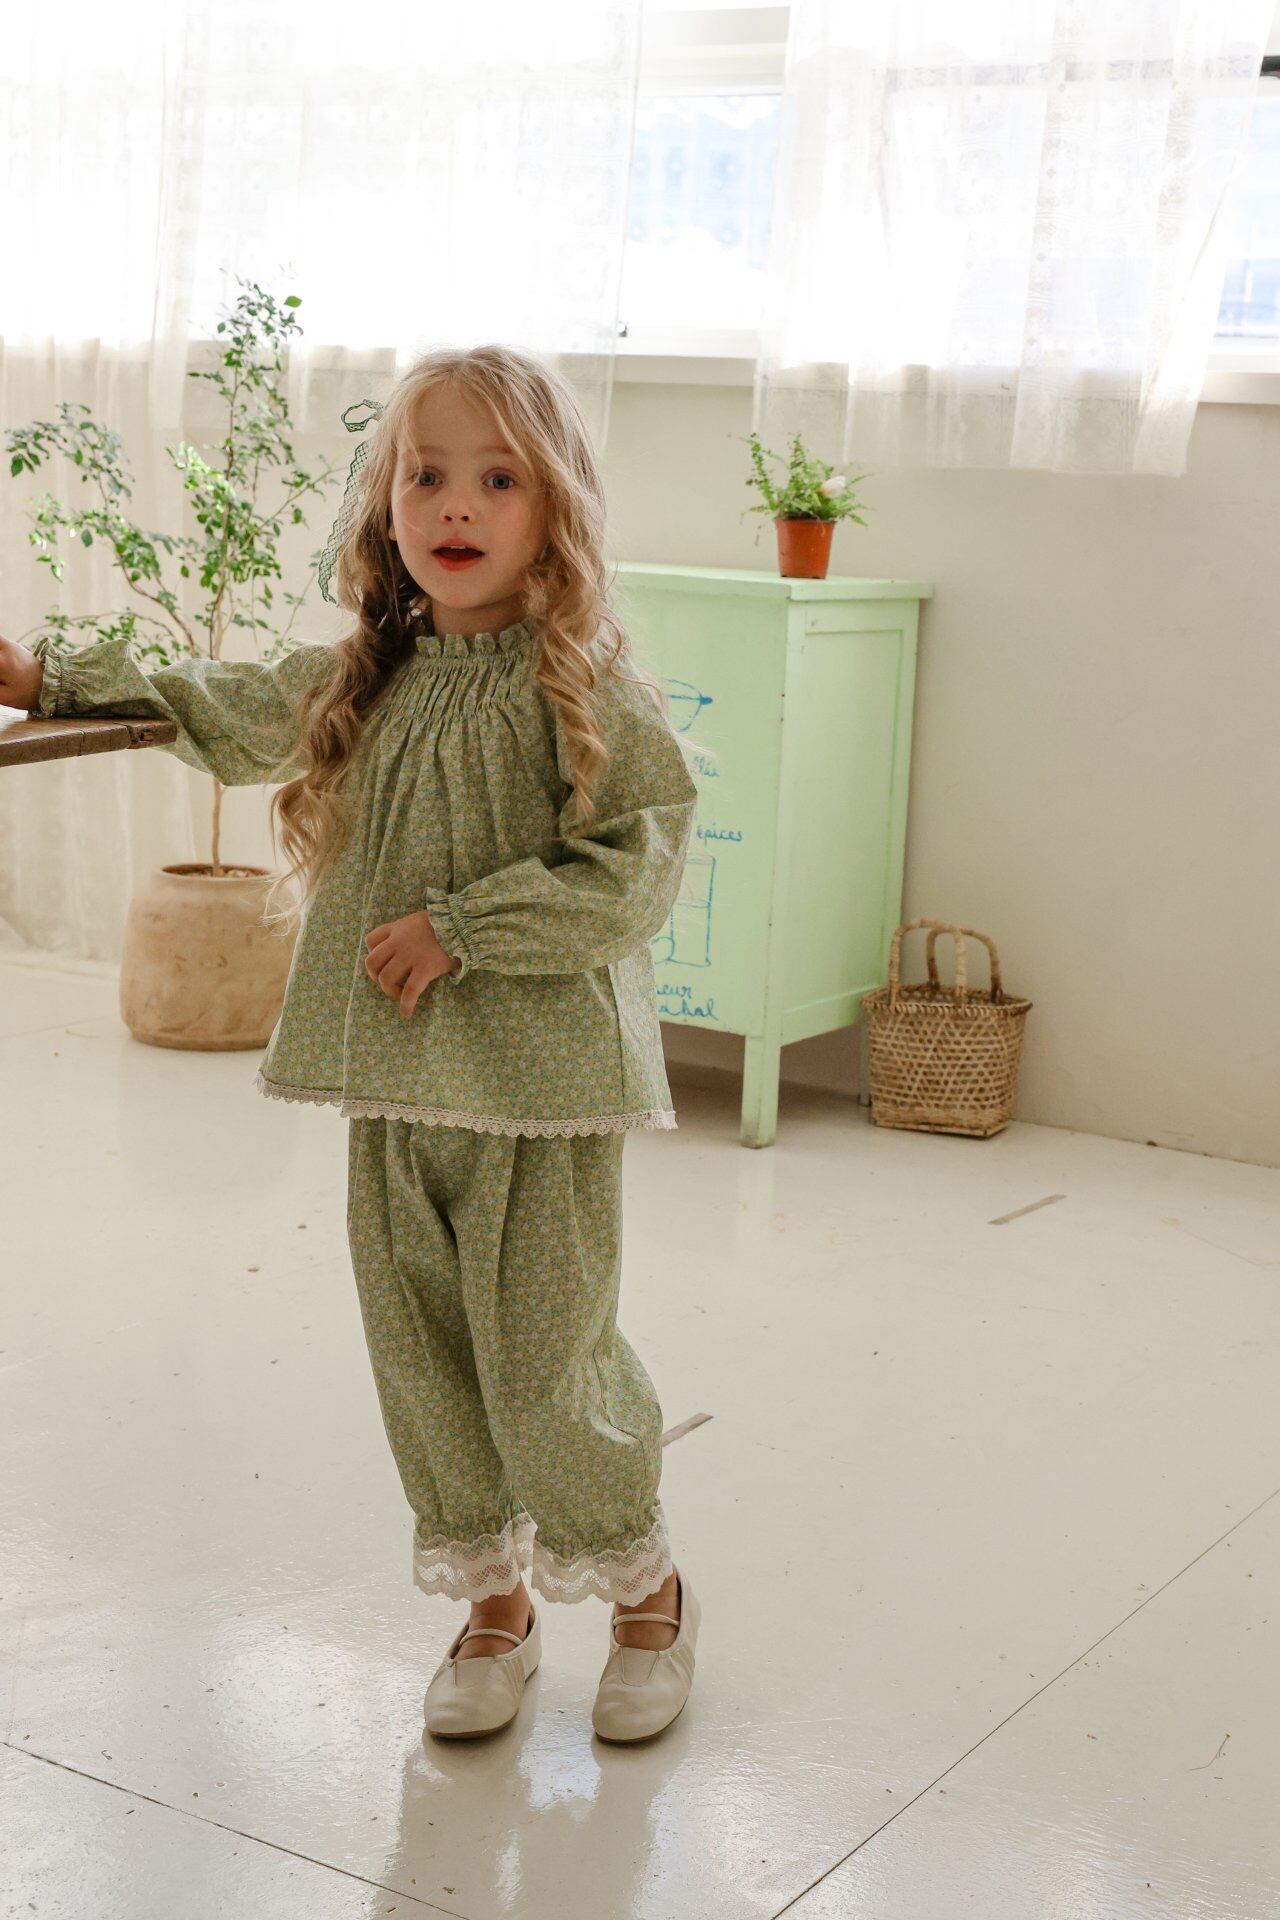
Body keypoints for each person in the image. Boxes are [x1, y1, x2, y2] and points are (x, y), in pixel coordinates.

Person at [0, 343, 703, 1744]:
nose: (456, 505)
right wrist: (41, 672)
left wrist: (465, 927)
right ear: (386, 506)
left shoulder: (588, 690)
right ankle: (494, 1607)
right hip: (397, 1085)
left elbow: (640, 868)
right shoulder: (362, 679)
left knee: (546, 1367)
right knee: (424, 1365)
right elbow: (218, 701)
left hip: (542, 1097)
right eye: (425, 475)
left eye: (497, 479)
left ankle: (647, 1594)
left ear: (554, 507)